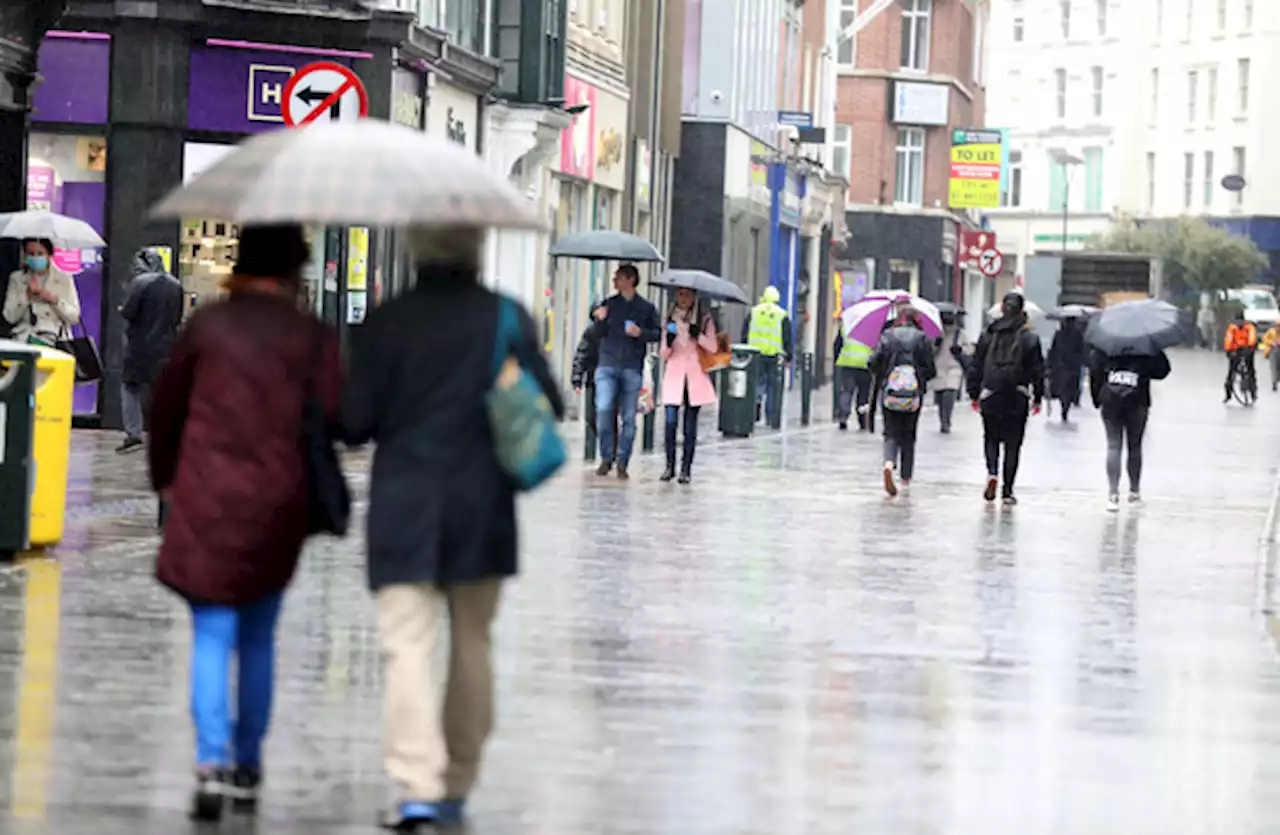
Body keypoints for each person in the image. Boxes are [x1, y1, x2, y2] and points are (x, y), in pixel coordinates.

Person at [343, 226, 563, 830]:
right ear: (476, 252)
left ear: (417, 252)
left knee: (407, 648)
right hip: (481, 506)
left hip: (404, 505)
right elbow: (553, 404)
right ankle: (457, 783)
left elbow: (355, 423)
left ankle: (416, 785)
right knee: (473, 646)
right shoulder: (506, 317)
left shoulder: (387, 323)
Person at [147, 225, 341, 821]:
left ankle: (208, 762)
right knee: (258, 635)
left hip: (206, 497)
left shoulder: (208, 327)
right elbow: (338, 413)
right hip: (277, 504)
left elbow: (165, 410)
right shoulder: (309, 335)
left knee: (211, 631)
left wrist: (166, 480)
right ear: (294, 269)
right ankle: (247, 764)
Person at [967, 292, 1045, 506]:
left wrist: (973, 393)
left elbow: (976, 365)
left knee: (991, 437)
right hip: (1018, 394)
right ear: (1022, 310)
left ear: (1002, 309)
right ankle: (1008, 490)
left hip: (991, 393)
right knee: (1013, 444)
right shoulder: (1030, 337)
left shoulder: (988, 333)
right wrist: (1038, 397)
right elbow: (1038, 370)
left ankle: (992, 472)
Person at [591, 264, 660, 480]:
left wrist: (641, 333)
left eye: (618, 278)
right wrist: (599, 319)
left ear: (630, 280)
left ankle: (623, 461)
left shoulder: (646, 308)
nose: (614, 281)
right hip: (607, 363)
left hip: (631, 366)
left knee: (629, 418)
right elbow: (597, 333)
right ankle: (606, 457)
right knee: (603, 409)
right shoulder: (609, 304)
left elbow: (657, 334)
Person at [117, 247, 184, 453]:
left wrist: (122, 309)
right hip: (166, 347)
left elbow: (129, 312)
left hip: (140, 345)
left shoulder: (139, 283)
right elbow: (178, 317)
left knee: (130, 387)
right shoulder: (176, 284)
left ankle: (134, 433)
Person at [1089, 347, 1171, 512]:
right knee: (1135, 446)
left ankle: (1113, 494)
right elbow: (1162, 371)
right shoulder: (1145, 346)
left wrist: (1097, 398)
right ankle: (1134, 491)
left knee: (1113, 445)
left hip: (1111, 400)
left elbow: (1095, 372)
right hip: (1138, 400)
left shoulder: (1105, 345)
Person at [869, 307, 935, 496]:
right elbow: (931, 369)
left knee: (890, 431)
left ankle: (889, 462)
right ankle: (905, 477)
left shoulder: (887, 336)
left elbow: (873, 361)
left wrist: (883, 372)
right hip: (913, 395)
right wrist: (920, 376)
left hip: (890, 391)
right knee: (909, 433)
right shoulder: (922, 338)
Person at [659, 287, 718, 484]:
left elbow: (713, 347)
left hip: (694, 376)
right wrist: (667, 342)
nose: (683, 299)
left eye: (688, 295)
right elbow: (664, 354)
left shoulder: (704, 319)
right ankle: (669, 465)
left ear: (694, 297)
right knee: (670, 421)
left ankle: (686, 469)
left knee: (689, 427)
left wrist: (697, 335)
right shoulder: (670, 319)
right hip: (674, 375)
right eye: (680, 294)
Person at [2, 237, 81, 346]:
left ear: (49, 255)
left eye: (40, 253)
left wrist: (52, 299)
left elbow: (74, 316)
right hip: (24, 339)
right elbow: (10, 317)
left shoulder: (64, 279)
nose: (35, 258)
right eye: (31, 253)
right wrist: (27, 297)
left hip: (55, 339)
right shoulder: (17, 278)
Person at [742, 286, 792, 422]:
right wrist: (789, 357)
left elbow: (745, 332)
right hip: (774, 355)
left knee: (757, 383)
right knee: (772, 386)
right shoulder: (782, 314)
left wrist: (744, 350)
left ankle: (755, 408)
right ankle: (771, 416)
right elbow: (786, 337)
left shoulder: (754, 312)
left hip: (755, 354)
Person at [933, 309, 971, 433]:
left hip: (954, 367)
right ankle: (942, 418)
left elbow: (969, 349)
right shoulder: (936, 333)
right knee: (940, 395)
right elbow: (928, 349)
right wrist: (936, 344)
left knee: (950, 392)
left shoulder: (960, 333)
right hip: (938, 366)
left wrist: (960, 350)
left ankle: (946, 421)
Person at [1046, 316, 1087, 421]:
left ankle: (1064, 405)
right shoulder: (1078, 335)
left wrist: (1050, 364)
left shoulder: (1059, 334)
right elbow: (1082, 351)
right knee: (1069, 389)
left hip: (1061, 366)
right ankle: (1066, 407)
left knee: (1062, 388)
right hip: (1072, 366)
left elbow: (1053, 349)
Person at [832, 330, 872, 431]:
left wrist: (837, 359)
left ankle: (843, 416)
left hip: (848, 364)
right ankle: (862, 420)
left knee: (846, 391)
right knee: (863, 394)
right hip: (865, 365)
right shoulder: (873, 328)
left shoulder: (846, 326)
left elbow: (837, 345)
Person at [1223, 313, 1257, 402]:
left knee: (1250, 370)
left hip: (1248, 348)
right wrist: (1228, 350)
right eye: (1237, 321)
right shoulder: (1232, 328)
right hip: (1236, 349)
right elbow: (1228, 339)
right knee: (1231, 371)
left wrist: (1249, 347)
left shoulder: (1249, 327)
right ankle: (1228, 393)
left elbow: (1252, 338)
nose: (1239, 323)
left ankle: (1253, 391)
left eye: (1240, 321)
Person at [1263, 321, 1280, 392]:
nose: (1278, 328)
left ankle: (1276, 379)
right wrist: (1272, 343)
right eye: (1277, 326)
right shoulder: (1271, 332)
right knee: (1273, 367)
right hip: (1272, 350)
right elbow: (1264, 338)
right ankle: (1274, 382)